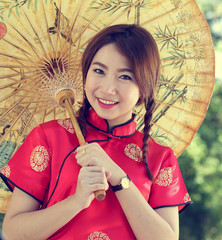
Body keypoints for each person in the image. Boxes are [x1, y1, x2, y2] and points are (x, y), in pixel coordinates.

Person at [0, 24, 191, 239]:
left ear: (144, 87)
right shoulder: (49, 137)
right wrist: (77, 200)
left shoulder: (160, 158)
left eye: (125, 77)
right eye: (99, 71)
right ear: (86, 74)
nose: (108, 88)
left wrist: (119, 177)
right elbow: (13, 232)